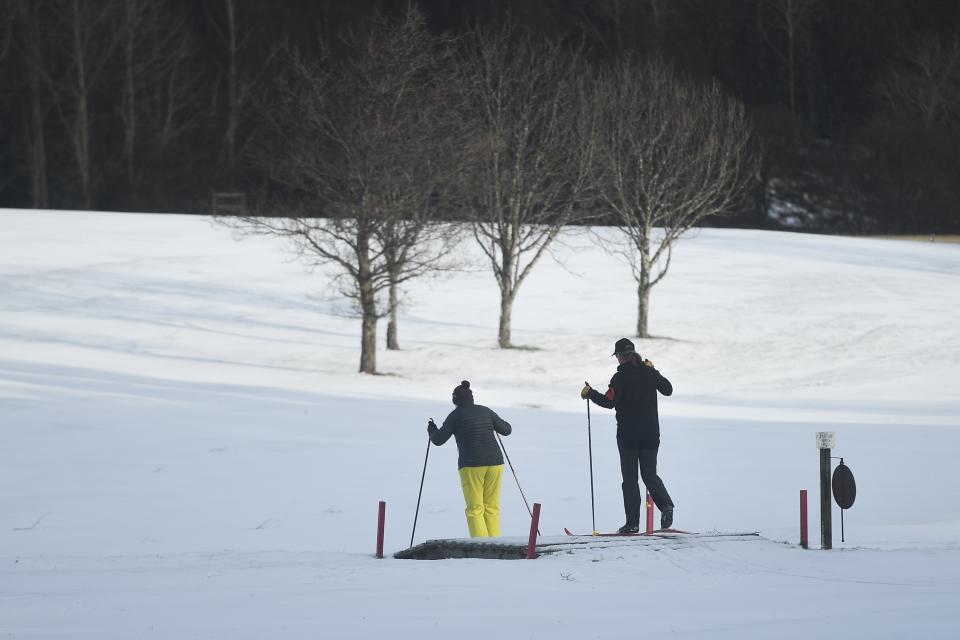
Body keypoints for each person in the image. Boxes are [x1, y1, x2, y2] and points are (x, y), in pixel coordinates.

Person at [581, 338, 675, 533]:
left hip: (628, 437)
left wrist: (590, 393)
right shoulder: (649, 371)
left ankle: (632, 524)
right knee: (649, 474)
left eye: (616, 357)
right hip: (651, 435)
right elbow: (668, 389)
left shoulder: (620, 378)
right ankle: (666, 506)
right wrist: (654, 370)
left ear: (620, 357)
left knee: (630, 479)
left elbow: (609, 402)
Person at [428, 380, 512, 537]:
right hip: (495, 463)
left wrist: (432, 430)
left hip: (471, 465)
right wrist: (498, 422)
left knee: (475, 508)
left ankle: (482, 547)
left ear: (455, 400)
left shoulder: (455, 416)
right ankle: (495, 543)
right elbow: (506, 430)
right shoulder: (486, 411)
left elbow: (438, 440)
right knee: (492, 506)